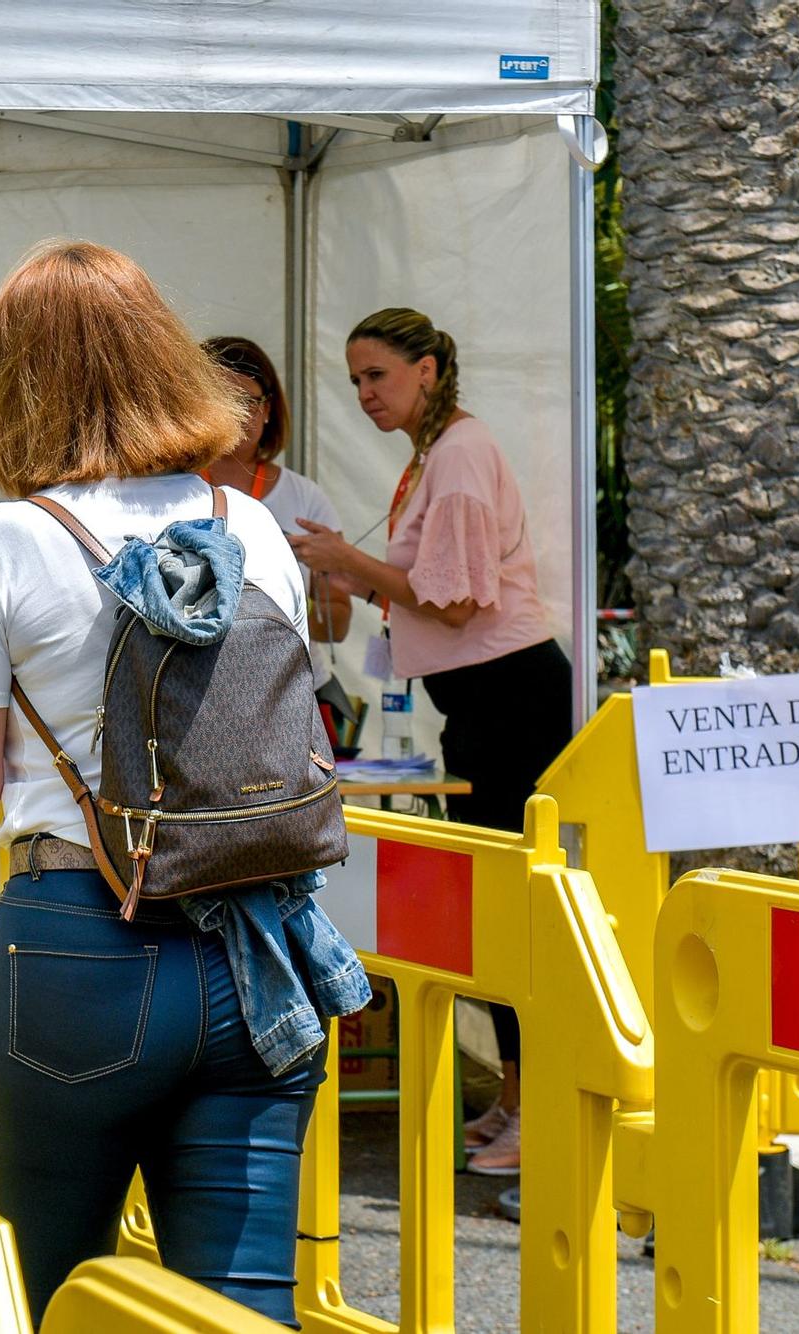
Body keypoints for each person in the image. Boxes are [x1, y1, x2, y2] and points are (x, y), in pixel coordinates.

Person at [0, 240, 366, 1325]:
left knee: (42, 1291)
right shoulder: (248, 523)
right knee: (238, 1307)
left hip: (77, 939)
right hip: (260, 942)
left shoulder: (2, 538)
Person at [289, 307, 572, 1178]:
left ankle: (547, 1114)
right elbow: (431, 597)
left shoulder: (454, 457)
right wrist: (362, 578)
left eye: (376, 375)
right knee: (499, 904)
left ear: (427, 368)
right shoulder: (434, 456)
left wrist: (345, 561)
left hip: (511, 697)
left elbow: (452, 603)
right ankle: (519, 1099)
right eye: (355, 382)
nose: (366, 395)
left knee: (522, 907)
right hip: (483, 699)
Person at [199, 337, 352, 686]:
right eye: (219, 400)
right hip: (202, 687)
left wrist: (276, 619)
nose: (234, 413)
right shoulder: (172, 488)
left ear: (268, 410)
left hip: (292, 689)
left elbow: (339, 623)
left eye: (246, 402)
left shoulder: (305, 498)